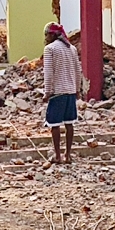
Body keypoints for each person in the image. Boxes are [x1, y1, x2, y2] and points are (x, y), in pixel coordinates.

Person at [42, 22, 82, 164]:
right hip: (70, 92)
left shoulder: (49, 49)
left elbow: (48, 73)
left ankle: (58, 155)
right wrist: (77, 89)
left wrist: (47, 92)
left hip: (57, 92)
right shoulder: (71, 49)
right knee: (69, 123)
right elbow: (78, 71)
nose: (45, 37)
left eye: (47, 34)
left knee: (55, 124)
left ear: (53, 35)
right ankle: (68, 155)